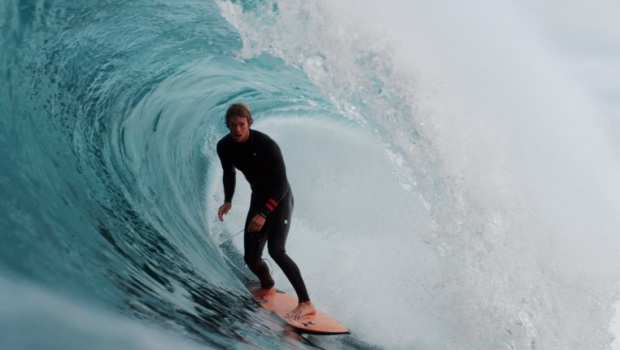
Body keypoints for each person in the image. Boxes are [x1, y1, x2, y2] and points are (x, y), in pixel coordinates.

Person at [216, 103, 316, 320]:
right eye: (233, 125)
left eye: (241, 125)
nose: (237, 130)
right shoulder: (224, 146)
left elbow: (282, 185)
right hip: (258, 199)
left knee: (276, 251)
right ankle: (268, 285)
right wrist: (227, 200)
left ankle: (306, 302)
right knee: (251, 258)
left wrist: (263, 214)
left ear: (249, 124)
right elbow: (228, 173)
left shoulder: (266, 145)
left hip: (279, 200)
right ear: (228, 125)